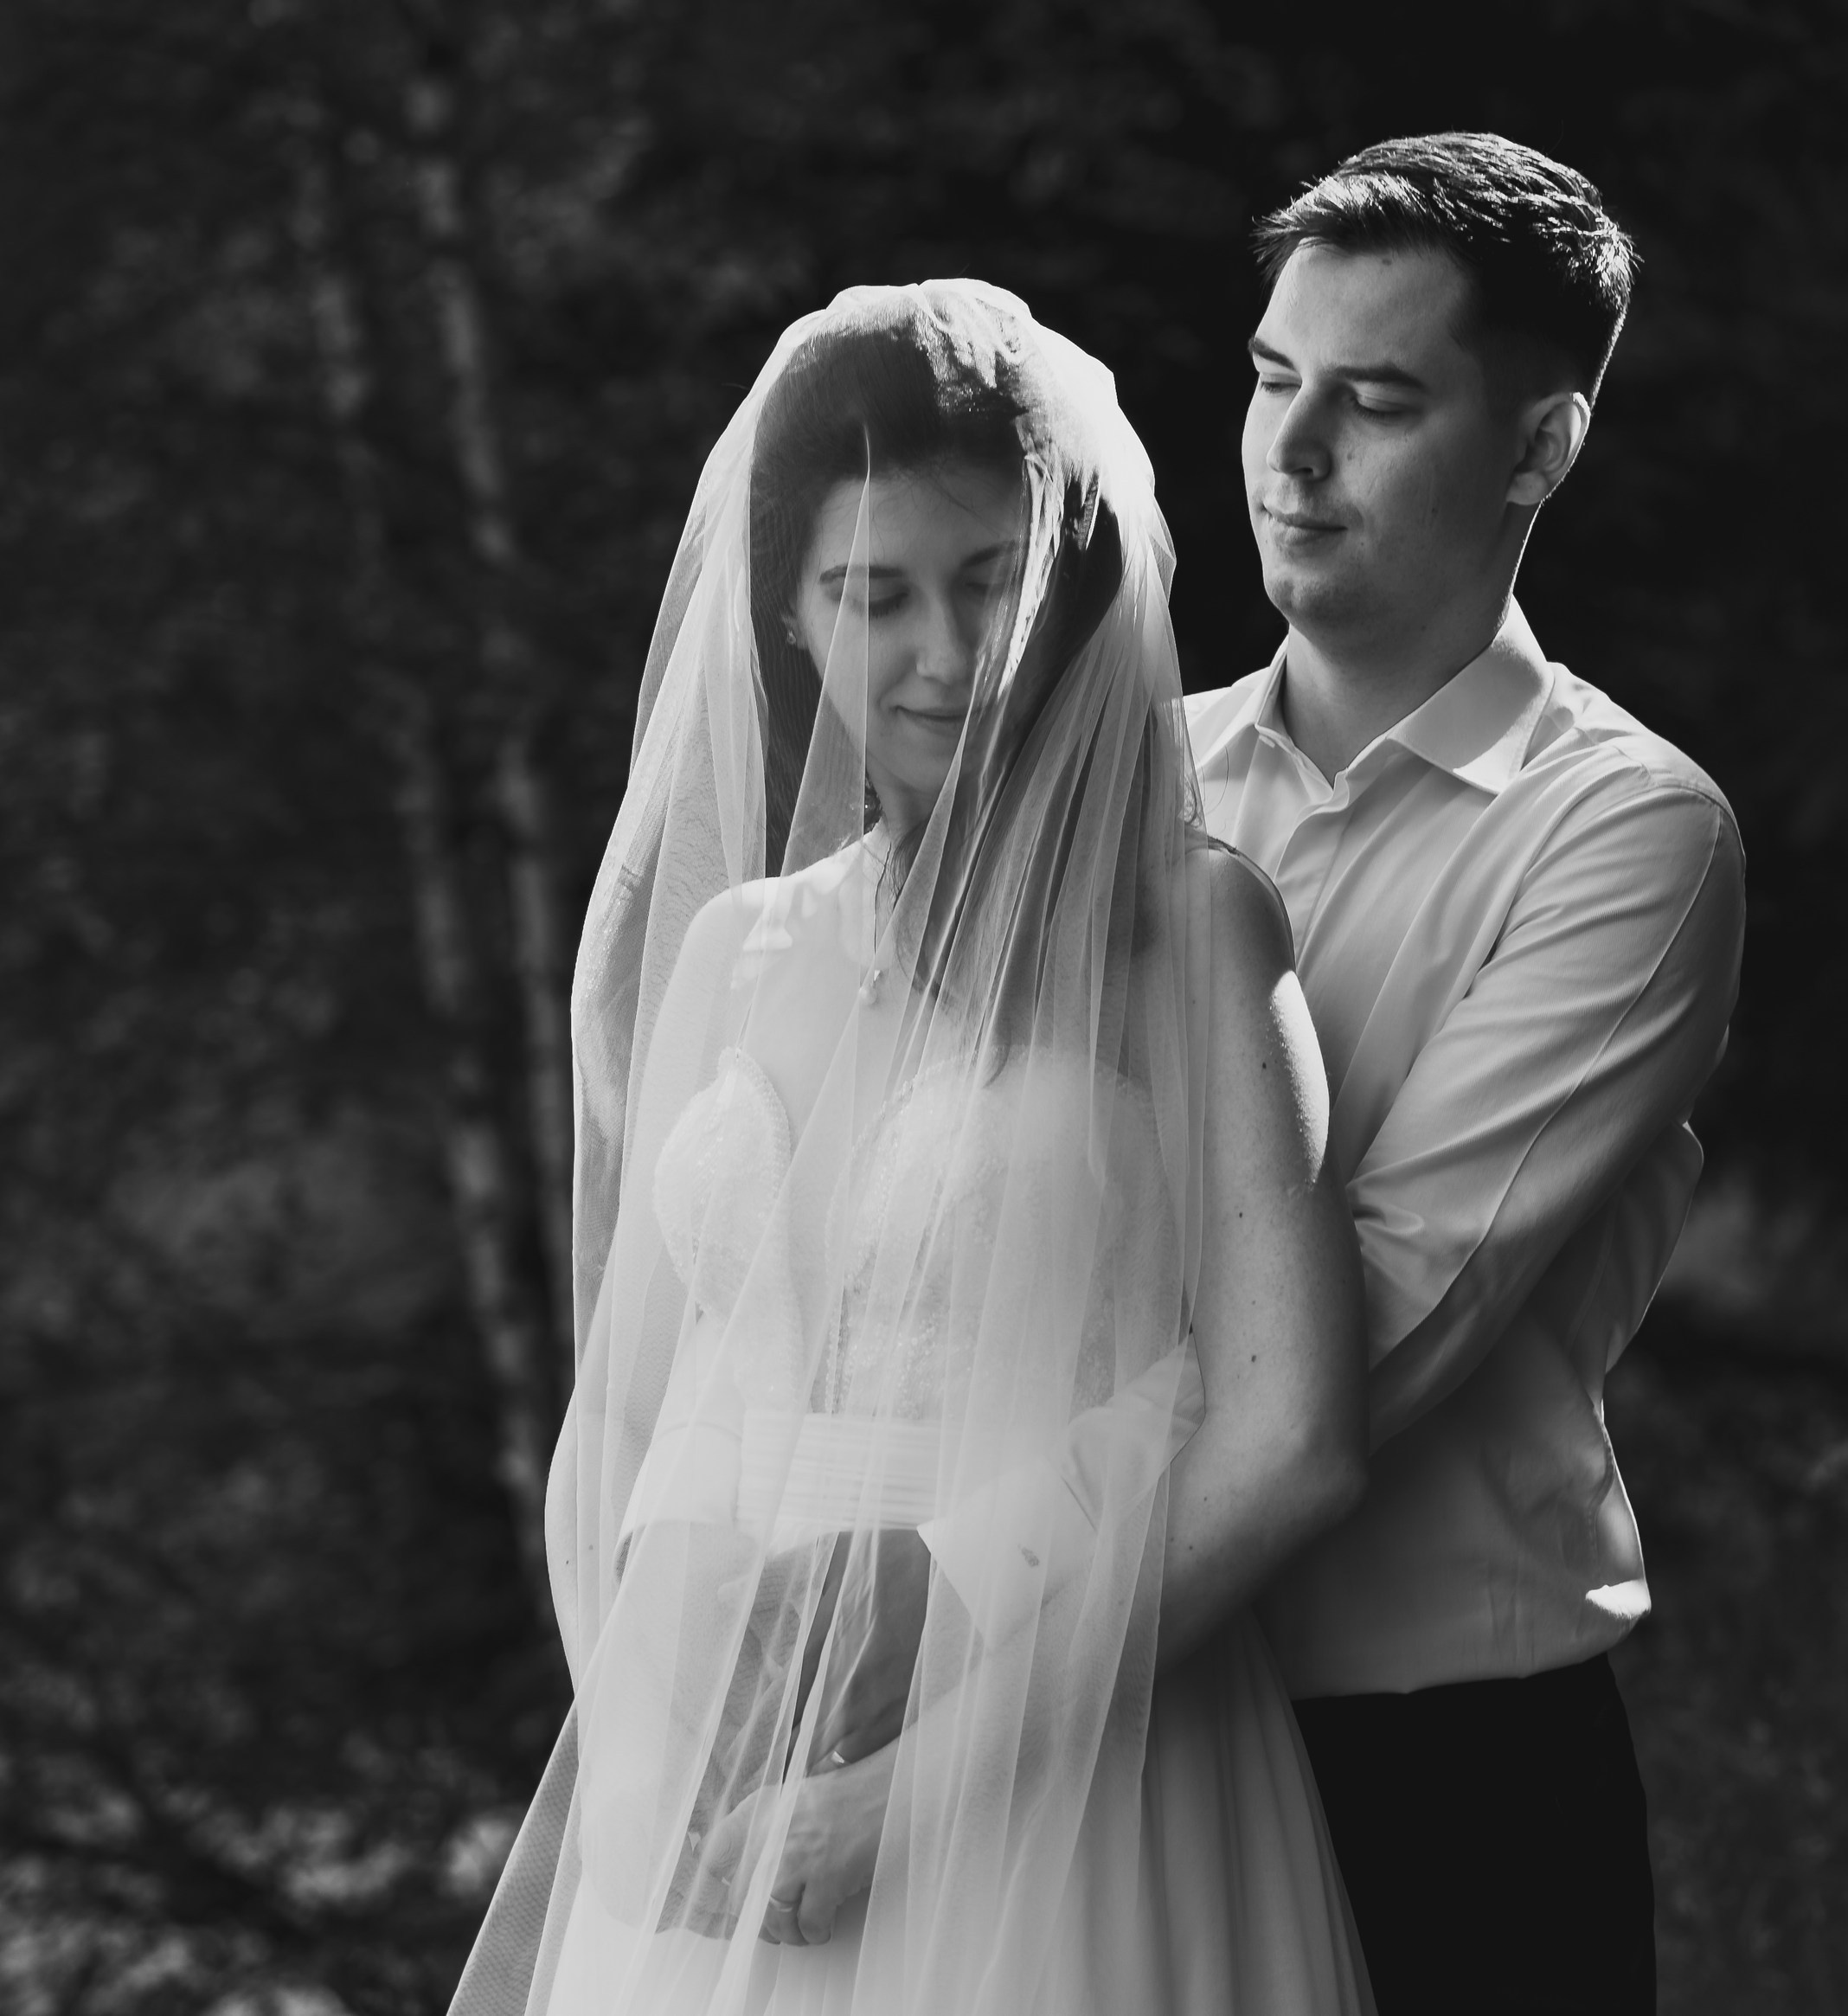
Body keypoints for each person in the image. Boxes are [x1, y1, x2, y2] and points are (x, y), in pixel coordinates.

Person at [450, 280, 1376, 2014]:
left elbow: (1292, 1430)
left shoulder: (1184, 928)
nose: (944, 652)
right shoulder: (735, 950)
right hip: (719, 1763)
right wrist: (681, 1686)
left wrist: (908, 1775)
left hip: (1048, 1756)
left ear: (1070, 588)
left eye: (989, 582)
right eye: (872, 595)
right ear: (793, 617)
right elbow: (649, 1399)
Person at [1190, 133, 1746, 2014]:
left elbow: (1361, 1340)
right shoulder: (1115, 790)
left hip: (1437, 1784)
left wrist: (983, 1640)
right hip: (1115, 1769)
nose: (1289, 454)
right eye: (1271, 381)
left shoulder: (1624, 837)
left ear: (1535, 450)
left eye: (1372, 402)